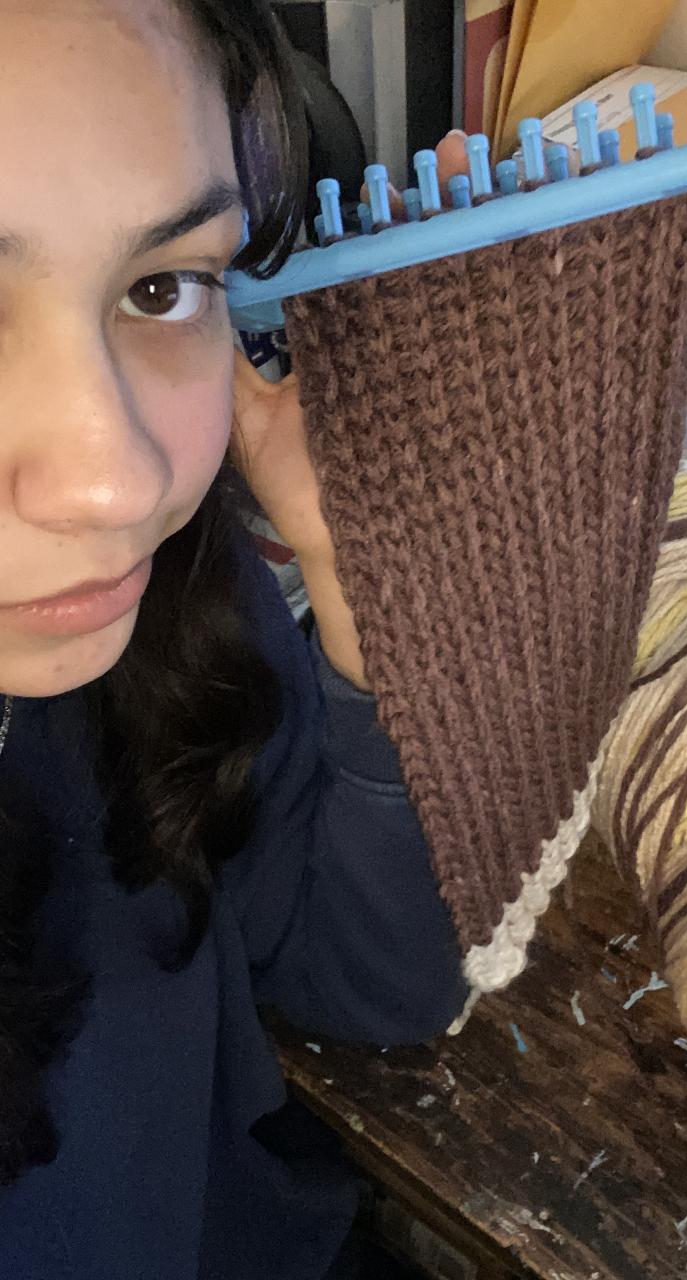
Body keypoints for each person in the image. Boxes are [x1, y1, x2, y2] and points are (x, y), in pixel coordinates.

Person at [0, 2, 471, 1275]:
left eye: (163, 286)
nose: (117, 480)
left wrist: (357, 576)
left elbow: (369, 980)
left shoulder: (166, 621)